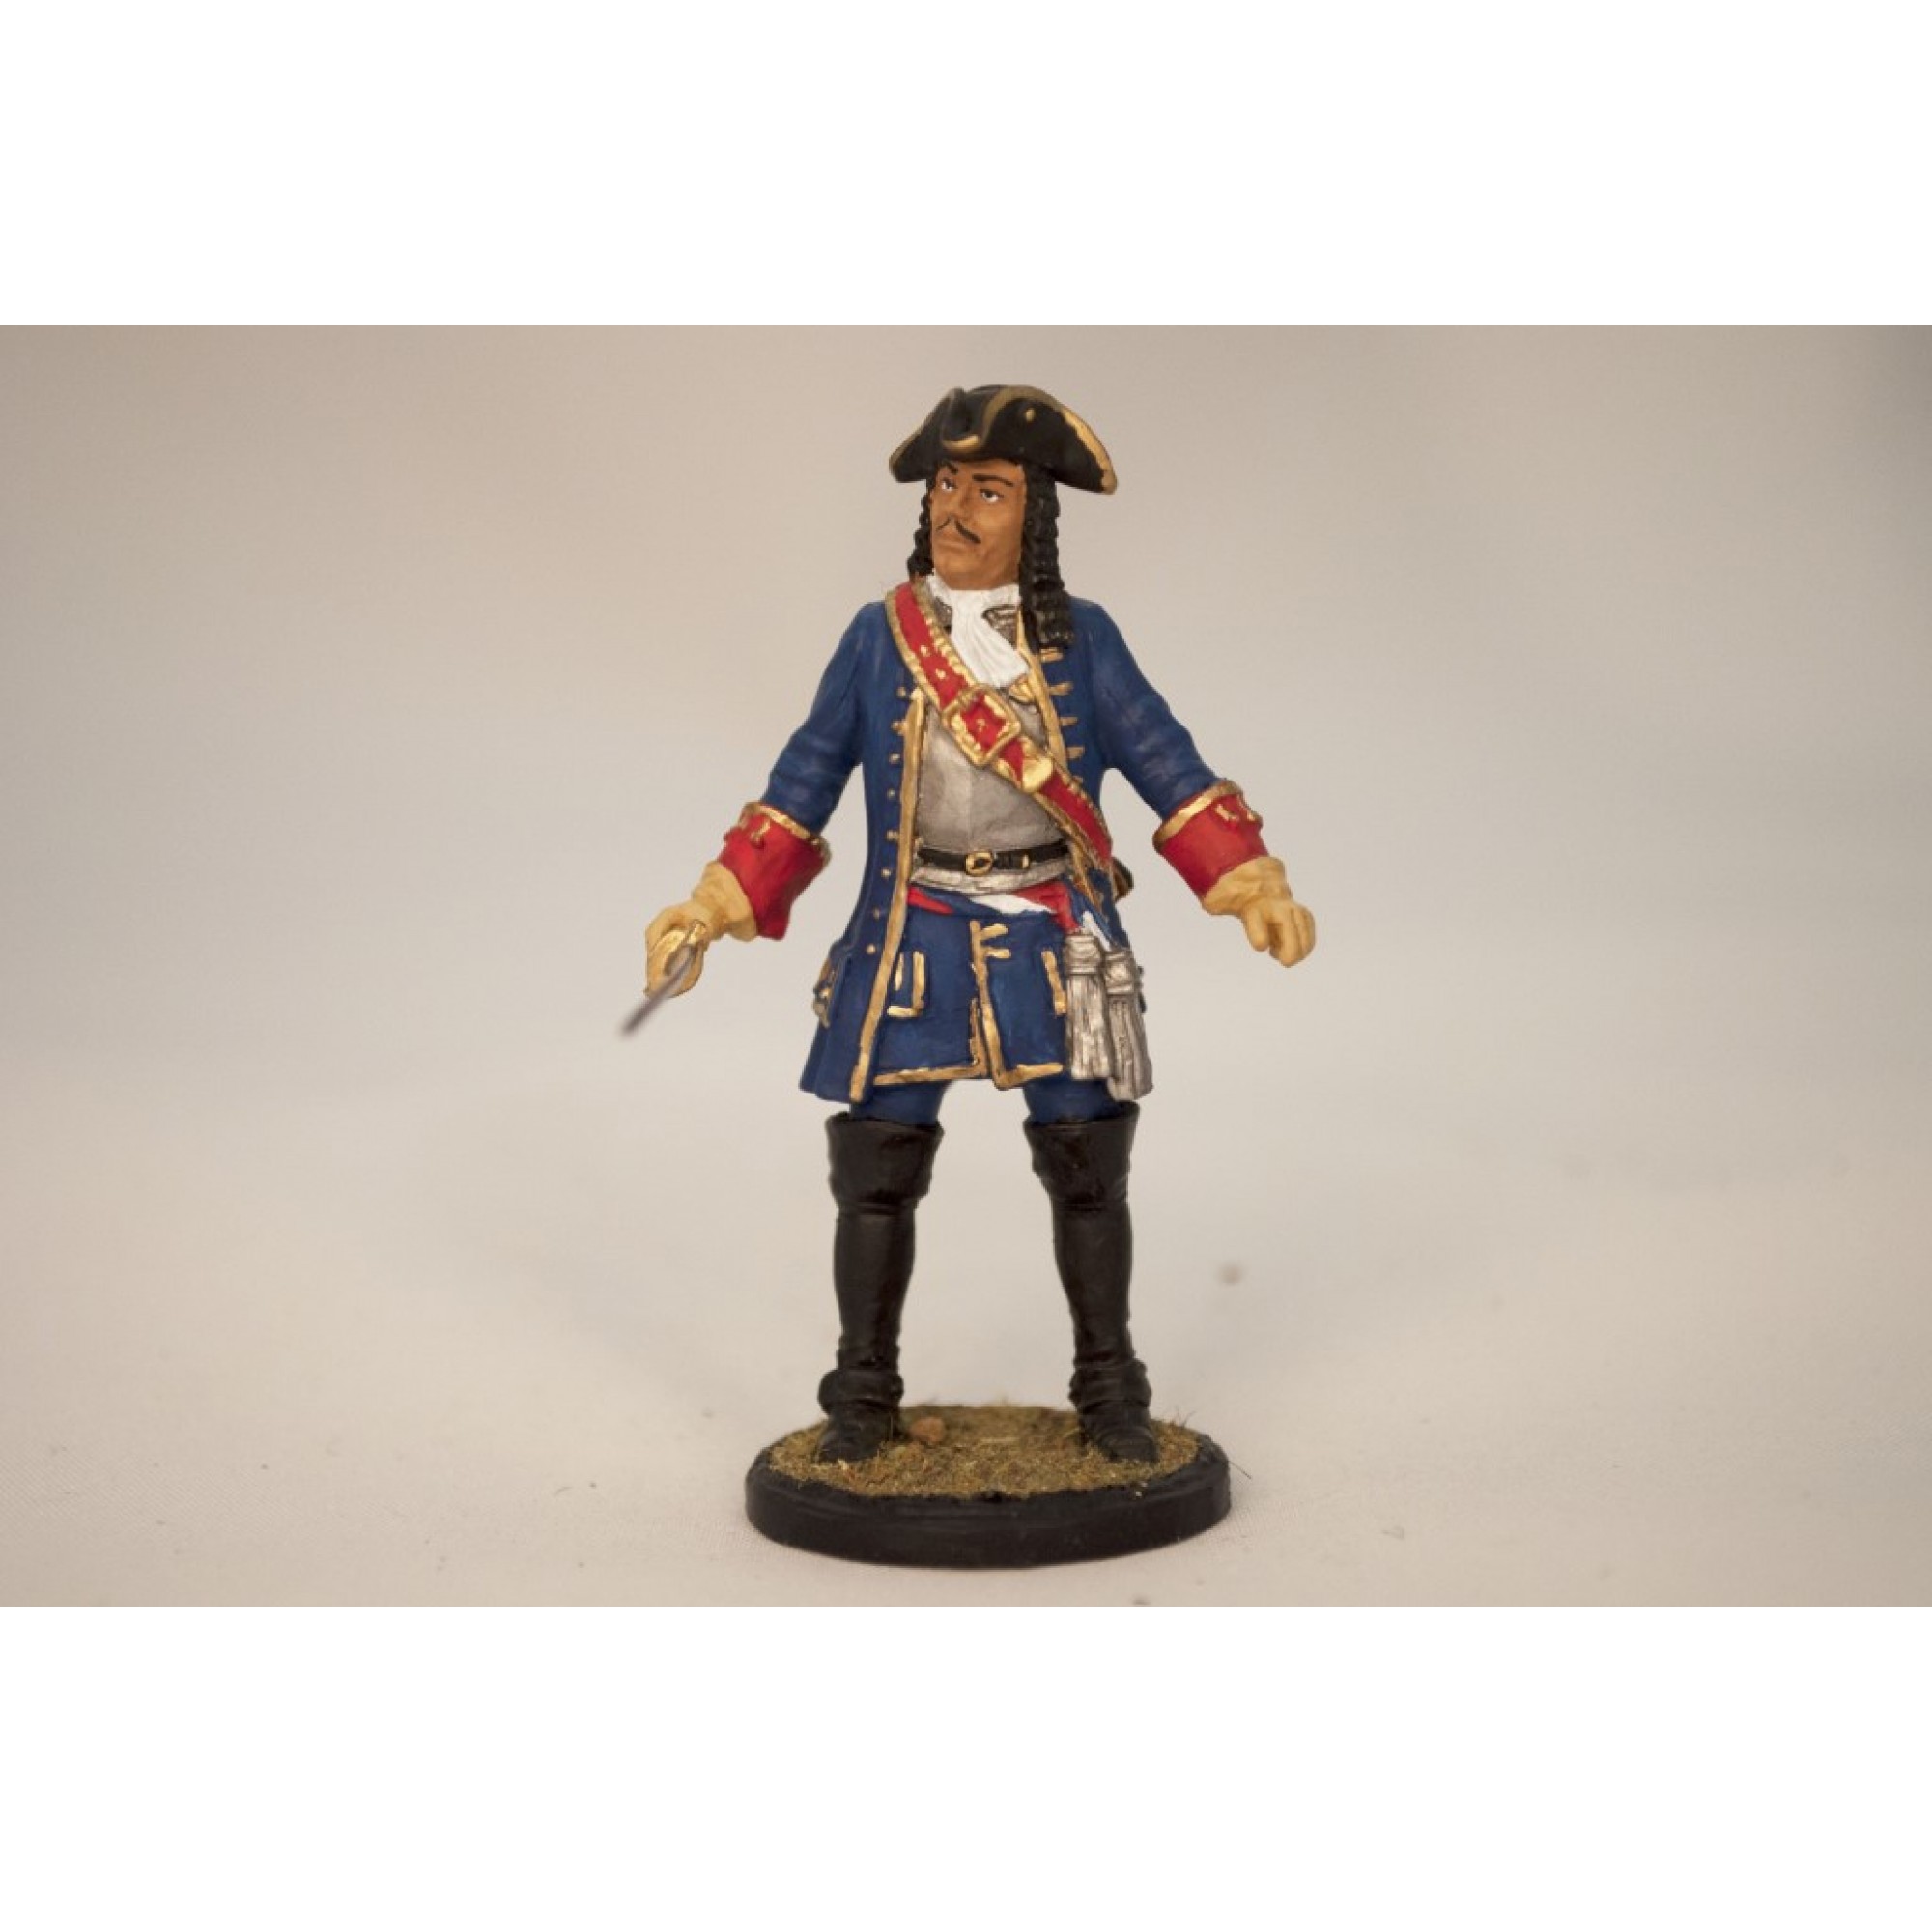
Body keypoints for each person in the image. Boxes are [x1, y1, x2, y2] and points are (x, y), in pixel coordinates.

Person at [644, 384, 1315, 1464]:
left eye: (988, 490)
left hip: (1054, 938)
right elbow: (804, 777)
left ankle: (1110, 1389)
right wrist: (717, 899)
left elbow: (1166, 762)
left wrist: (1249, 880)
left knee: (1088, 1164)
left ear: (1033, 515)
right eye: (947, 484)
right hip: (911, 938)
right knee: (875, 1168)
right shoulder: (878, 640)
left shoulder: (1083, 639)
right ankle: (862, 1394)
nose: (955, 508)